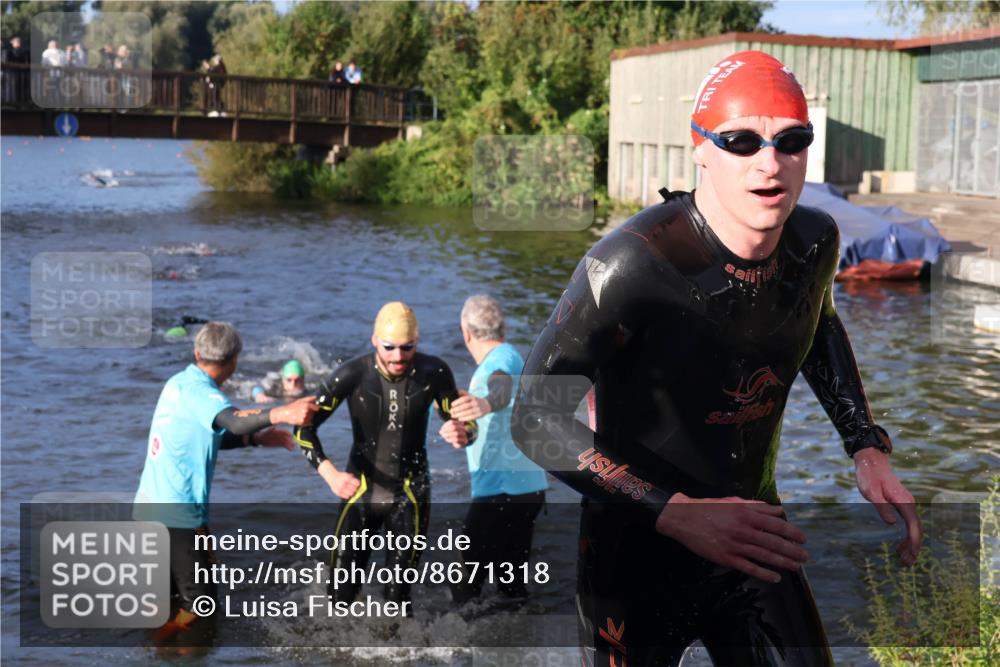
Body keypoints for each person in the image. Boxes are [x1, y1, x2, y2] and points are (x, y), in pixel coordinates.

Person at [512, 50, 923, 666]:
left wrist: (865, 444)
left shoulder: (815, 242)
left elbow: (817, 322)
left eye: (791, 140)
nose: (770, 161)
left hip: (754, 538)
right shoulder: (631, 264)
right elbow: (533, 418)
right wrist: (672, 512)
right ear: (700, 148)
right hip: (635, 551)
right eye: (741, 141)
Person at [134, 322, 319, 638]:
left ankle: (159, 648)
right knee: (200, 608)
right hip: (179, 518)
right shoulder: (204, 394)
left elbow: (208, 433)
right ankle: (159, 648)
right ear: (234, 360)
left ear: (197, 353)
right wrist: (282, 413)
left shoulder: (177, 384)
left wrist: (257, 440)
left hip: (146, 511)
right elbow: (232, 421)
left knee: (166, 602)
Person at [294, 301, 473, 606]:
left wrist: (465, 433)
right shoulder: (351, 374)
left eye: (408, 347)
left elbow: (463, 421)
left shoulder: (435, 372)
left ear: (417, 342)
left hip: (411, 494)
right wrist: (330, 474)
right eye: (389, 347)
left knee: (398, 600)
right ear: (375, 340)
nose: (398, 357)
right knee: (339, 596)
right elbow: (302, 428)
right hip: (360, 491)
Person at [439, 295, 548, 602]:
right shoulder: (511, 355)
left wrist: (485, 403)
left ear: (466, 332)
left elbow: (500, 389)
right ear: (503, 328)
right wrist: (467, 430)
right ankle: (517, 642)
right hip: (525, 490)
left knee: (464, 588)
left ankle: (461, 647)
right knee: (510, 588)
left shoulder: (499, 362)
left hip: (499, 493)